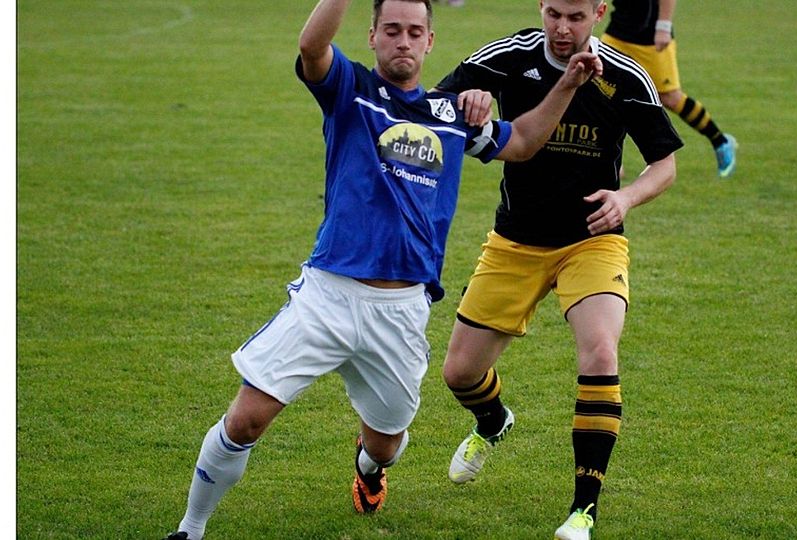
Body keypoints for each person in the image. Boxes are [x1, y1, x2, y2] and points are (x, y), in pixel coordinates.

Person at [162, 0, 602, 537]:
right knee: (246, 420)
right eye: (391, 30)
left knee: (387, 443)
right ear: (372, 36)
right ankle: (190, 527)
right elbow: (312, 47)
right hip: (328, 295)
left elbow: (526, 141)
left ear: (430, 42)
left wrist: (568, 83)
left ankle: (369, 465)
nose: (403, 41)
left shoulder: (451, 114)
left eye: (414, 31)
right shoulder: (351, 90)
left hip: (401, 311)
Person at [433, 0, 683, 538]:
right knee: (459, 374)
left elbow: (665, 163)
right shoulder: (509, 57)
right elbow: (432, 103)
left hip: (592, 241)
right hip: (516, 241)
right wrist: (466, 100)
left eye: (575, 16)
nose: (562, 28)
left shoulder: (625, 75)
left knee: (600, 351)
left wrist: (626, 198)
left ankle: (582, 510)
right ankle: (493, 421)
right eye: (553, 14)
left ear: (599, 12)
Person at [600, 0, 737, 178]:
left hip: (650, 38)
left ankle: (720, 141)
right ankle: (608, 159)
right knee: (601, 91)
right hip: (616, 34)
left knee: (670, 98)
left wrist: (663, 26)